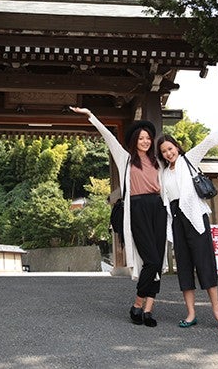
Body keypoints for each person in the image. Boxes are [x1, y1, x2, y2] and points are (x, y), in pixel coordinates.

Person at [70, 106, 167, 327]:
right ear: (134, 140)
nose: (145, 141)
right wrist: (91, 116)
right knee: (150, 260)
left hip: (158, 208)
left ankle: (148, 310)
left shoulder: (158, 161)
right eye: (141, 138)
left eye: (148, 138)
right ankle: (137, 304)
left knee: (157, 261)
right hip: (138, 209)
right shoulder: (126, 159)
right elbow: (109, 136)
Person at [157, 119, 218, 331]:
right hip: (177, 220)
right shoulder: (162, 173)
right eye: (163, 152)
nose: (168, 153)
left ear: (176, 147)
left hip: (195, 217)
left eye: (170, 148)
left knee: (205, 262)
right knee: (185, 267)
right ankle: (191, 313)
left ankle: (216, 309)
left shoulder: (189, 159)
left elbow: (207, 142)